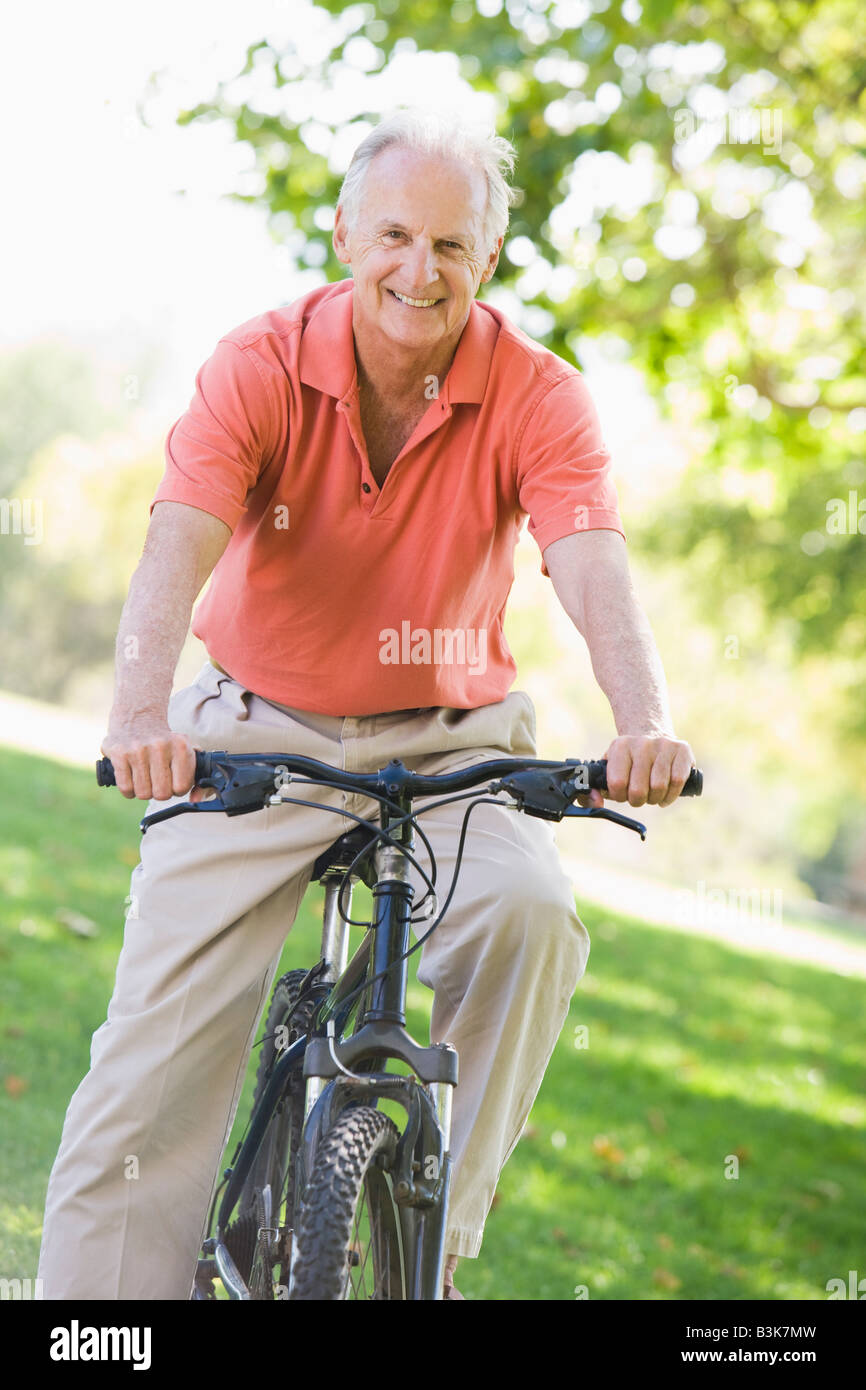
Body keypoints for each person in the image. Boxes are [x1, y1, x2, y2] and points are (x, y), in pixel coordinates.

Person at [37, 107, 694, 1301]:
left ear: (486, 261)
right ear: (344, 233)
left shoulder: (540, 395)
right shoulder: (258, 362)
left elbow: (588, 554)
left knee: (531, 915)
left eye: (450, 245)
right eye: (393, 233)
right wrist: (140, 712)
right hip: (257, 721)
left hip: (452, 743)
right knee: (148, 1066)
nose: (418, 268)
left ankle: (424, 1237)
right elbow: (176, 541)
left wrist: (640, 713)